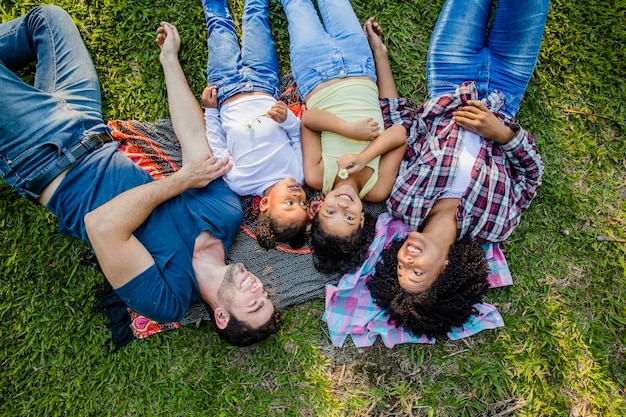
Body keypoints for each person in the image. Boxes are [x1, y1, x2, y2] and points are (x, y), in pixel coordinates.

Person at [0, 4, 282, 347]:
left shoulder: (167, 299)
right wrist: (170, 60)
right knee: (47, 19)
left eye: (254, 302)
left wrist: (181, 181)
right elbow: (193, 136)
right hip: (88, 123)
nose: (258, 287)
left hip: (43, 156)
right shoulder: (226, 216)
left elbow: (102, 227)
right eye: (265, 293)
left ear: (221, 317)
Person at [364, 0, 547, 338]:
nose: (408, 260)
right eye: (416, 273)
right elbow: (531, 175)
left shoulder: (402, 199)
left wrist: (380, 55)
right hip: (508, 84)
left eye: (400, 267)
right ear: (444, 271)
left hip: (450, 72)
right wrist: (501, 133)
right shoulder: (494, 225)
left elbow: (399, 122)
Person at [277, 0, 407, 275]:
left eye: (331, 212)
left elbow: (309, 120)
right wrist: (364, 157)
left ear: (318, 207)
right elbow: (399, 134)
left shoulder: (317, 176)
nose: (343, 205)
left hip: (315, 73)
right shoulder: (376, 188)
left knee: (296, 7)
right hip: (361, 64)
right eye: (348, 217)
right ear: (361, 220)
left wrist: (349, 131)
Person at [200, 0, 307, 250]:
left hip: (225, 90)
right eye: (302, 205)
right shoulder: (298, 175)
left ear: (265, 204)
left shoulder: (241, 182)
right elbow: (297, 136)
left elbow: (218, 145)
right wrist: (287, 118)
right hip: (263, 82)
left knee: (218, 26)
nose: (298, 197)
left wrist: (211, 110)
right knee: (256, 17)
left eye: (289, 204)